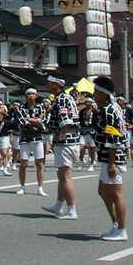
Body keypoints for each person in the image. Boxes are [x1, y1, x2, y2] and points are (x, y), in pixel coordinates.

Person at [93, 75, 128, 241]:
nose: (93, 94)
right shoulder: (110, 108)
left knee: (115, 194)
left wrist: (112, 163)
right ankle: (115, 225)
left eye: (96, 91)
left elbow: (113, 137)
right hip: (107, 156)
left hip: (112, 157)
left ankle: (122, 229)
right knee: (103, 191)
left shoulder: (109, 110)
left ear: (103, 93)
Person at [42, 74, 80, 220]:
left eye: (49, 83)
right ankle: (58, 205)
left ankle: (71, 209)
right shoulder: (65, 98)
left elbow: (66, 120)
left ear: (56, 85)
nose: (47, 85)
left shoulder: (62, 99)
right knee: (62, 175)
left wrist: (62, 134)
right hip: (69, 140)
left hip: (66, 141)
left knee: (65, 176)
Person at [16, 88, 48, 197]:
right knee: (23, 163)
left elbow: (43, 122)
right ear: (26, 96)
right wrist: (35, 120)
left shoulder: (41, 107)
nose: (30, 96)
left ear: (36, 95)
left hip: (37, 138)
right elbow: (21, 123)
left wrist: (33, 120)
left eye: (33, 94)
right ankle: (22, 186)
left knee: (39, 163)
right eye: (28, 94)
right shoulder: (21, 108)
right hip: (25, 138)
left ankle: (40, 187)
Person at [78, 96, 97, 170]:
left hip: (92, 132)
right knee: (81, 148)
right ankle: (81, 162)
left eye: (88, 102)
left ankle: (91, 164)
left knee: (92, 149)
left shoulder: (95, 112)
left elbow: (97, 122)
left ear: (91, 103)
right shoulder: (82, 111)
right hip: (83, 131)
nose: (87, 103)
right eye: (86, 102)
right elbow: (80, 121)